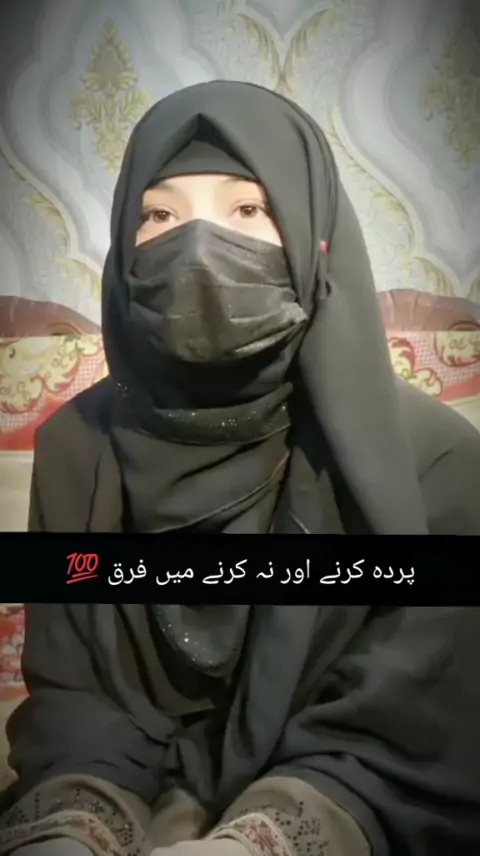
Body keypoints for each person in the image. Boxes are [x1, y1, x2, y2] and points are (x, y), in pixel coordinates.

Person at [0, 80, 479, 856]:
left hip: (340, 806)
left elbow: (409, 721)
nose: (198, 248)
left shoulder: (436, 463)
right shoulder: (74, 450)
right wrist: (72, 829)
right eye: (159, 216)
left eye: (248, 210)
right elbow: (74, 698)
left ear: (314, 237)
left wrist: (258, 840)